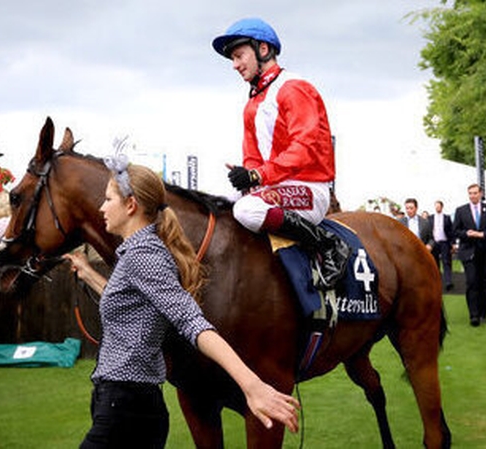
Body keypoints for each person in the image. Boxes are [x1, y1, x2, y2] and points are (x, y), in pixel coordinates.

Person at [63, 159, 299, 448]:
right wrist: (88, 274)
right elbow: (131, 304)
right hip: (121, 402)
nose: (101, 207)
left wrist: (253, 387)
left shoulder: (144, 256)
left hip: (125, 407)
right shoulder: (138, 254)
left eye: (108, 198)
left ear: (131, 205)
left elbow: (192, 322)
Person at [212, 17, 349, 290]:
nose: (235, 65)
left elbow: (305, 147)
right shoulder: (252, 103)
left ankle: (328, 243)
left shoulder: (294, 87)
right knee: (218, 206)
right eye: (232, 59)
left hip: (309, 190)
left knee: (247, 210)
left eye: (239, 56)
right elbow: (252, 156)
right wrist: (248, 176)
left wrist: (257, 174)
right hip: (274, 189)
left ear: (262, 49)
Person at [453, 184, 486, 327]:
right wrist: (466, 234)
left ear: (480, 194)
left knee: (483, 283)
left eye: (475, 193)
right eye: (470, 193)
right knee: (472, 282)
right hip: (468, 251)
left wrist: (482, 234)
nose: (472, 196)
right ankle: (473, 315)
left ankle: (482, 312)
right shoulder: (461, 210)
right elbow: (455, 231)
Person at [430, 200, 454, 291]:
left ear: (442, 207)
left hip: (444, 242)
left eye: (438, 206)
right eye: (436, 206)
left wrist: (452, 244)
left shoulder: (447, 218)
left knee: (446, 262)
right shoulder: (430, 218)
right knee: (435, 263)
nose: (437, 208)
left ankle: (448, 282)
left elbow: (451, 231)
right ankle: (437, 281)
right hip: (434, 243)